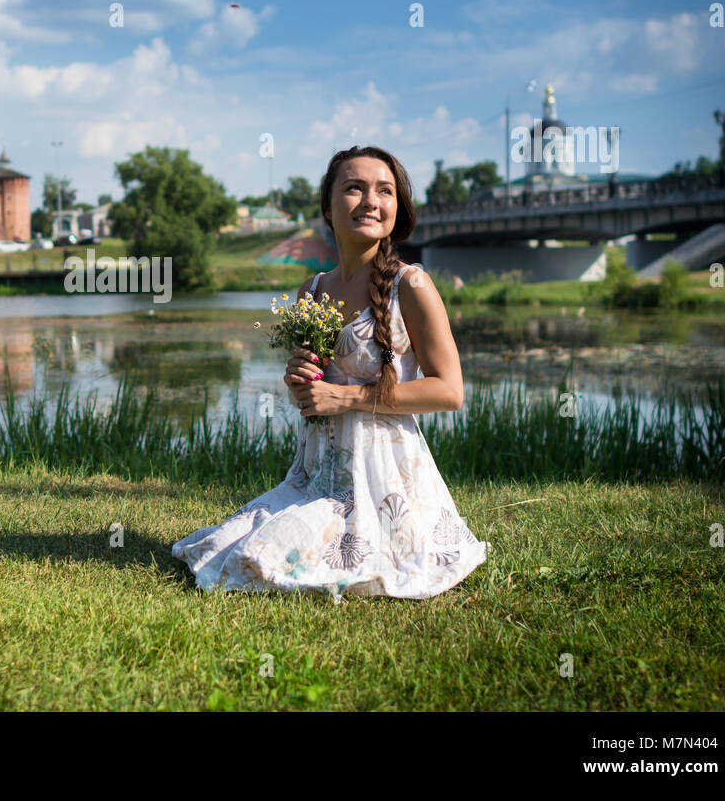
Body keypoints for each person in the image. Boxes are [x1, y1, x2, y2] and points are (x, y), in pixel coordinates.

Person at [170, 146, 490, 600]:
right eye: (354, 188)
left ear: (397, 208)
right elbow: (313, 392)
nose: (370, 201)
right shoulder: (313, 289)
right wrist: (299, 378)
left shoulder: (412, 285)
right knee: (229, 544)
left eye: (385, 190)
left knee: (267, 560)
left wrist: (349, 399)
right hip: (315, 473)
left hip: (384, 481)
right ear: (327, 206)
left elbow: (450, 391)